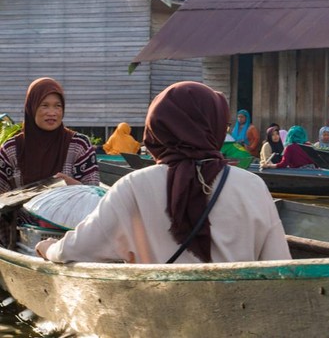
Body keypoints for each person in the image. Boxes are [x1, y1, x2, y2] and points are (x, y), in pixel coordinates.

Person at [35, 81, 291, 264]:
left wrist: (49, 249)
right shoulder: (253, 185)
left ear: (156, 127)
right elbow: (279, 263)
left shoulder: (133, 186)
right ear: (214, 126)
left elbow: (79, 248)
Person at [0, 77, 99, 193]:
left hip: (69, 210)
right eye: (44, 105)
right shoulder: (11, 149)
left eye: (58, 106)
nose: (52, 113)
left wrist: (74, 186)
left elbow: (95, 194)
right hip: (20, 211)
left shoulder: (79, 145)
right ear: (32, 108)